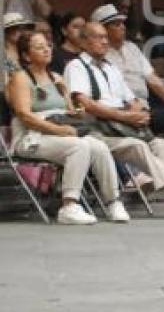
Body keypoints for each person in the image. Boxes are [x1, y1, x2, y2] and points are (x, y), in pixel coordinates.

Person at [64, 21, 164, 219]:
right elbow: (85, 104)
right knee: (138, 146)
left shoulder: (110, 68)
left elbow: (131, 100)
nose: (104, 41)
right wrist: (124, 116)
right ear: (83, 42)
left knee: (161, 144)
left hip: (121, 128)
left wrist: (140, 113)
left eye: (104, 37)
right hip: (97, 131)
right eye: (97, 37)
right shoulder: (76, 67)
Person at [8, 31, 129, 224]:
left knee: (98, 146)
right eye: (39, 47)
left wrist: (72, 104)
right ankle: (69, 205)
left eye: (48, 45)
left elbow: (70, 113)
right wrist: (59, 131)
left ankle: (113, 201)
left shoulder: (56, 77)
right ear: (26, 56)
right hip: (32, 137)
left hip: (62, 131)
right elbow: (25, 115)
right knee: (79, 146)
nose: (47, 50)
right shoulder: (20, 78)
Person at [94, 4, 164, 168]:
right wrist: (128, 110)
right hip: (121, 112)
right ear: (103, 30)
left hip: (145, 107)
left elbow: (151, 77)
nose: (122, 27)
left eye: (122, 23)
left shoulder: (132, 48)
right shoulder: (100, 56)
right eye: (116, 24)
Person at [3, 12, 34, 80]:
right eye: (13, 28)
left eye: (20, 27)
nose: (17, 31)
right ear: (4, 31)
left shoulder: (27, 49)